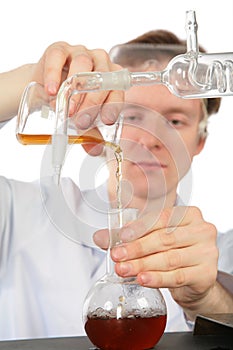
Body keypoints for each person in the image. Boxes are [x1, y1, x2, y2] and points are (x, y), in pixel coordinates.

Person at [0, 30, 232, 341]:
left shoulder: (223, 255)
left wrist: (208, 300)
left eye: (175, 121)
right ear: (104, 123)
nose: (151, 140)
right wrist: (32, 84)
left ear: (200, 140)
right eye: (133, 116)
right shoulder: (19, 214)